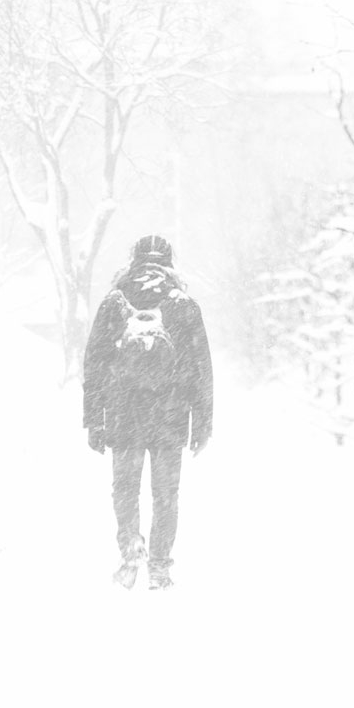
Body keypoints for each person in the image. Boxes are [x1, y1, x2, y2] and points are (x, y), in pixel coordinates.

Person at [82, 235, 213, 590]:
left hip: (124, 413)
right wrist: (202, 424)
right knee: (166, 495)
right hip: (170, 416)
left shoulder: (114, 302)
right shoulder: (184, 305)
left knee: (125, 489)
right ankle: (159, 567)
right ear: (170, 262)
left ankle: (130, 551)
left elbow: (95, 364)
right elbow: (201, 368)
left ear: (133, 260)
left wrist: (94, 421)